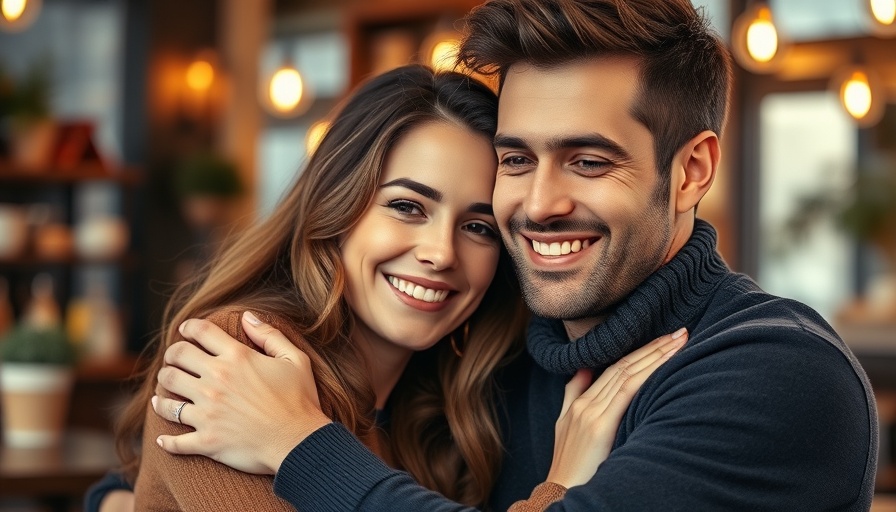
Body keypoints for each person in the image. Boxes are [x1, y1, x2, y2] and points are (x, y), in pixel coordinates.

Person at [146, 0, 879, 511]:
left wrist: (299, 445)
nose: (538, 204)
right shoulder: (490, 351)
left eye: (589, 161)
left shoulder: (776, 376)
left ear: (690, 171)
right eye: (517, 159)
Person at [86, 63, 685, 511]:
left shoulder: (442, 398)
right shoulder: (233, 358)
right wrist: (559, 492)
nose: (440, 253)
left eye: (477, 226)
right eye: (406, 206)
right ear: (336, 207)